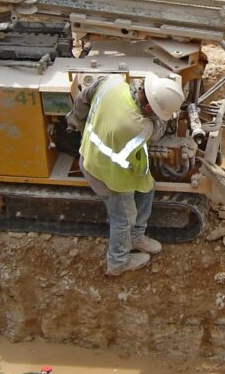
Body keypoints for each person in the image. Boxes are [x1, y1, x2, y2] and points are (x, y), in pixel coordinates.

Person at [67, 72, 186, 276]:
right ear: (148, 107)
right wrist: (165, 119)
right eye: (157, 112)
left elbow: (83, 97)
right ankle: (118, 262)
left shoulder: (111, 82)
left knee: (147, 189)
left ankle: (137, 236)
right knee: (123, 218)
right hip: (106, 174)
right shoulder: (140, 125)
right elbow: (157, 131)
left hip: (93, 153)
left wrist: (75, 121)